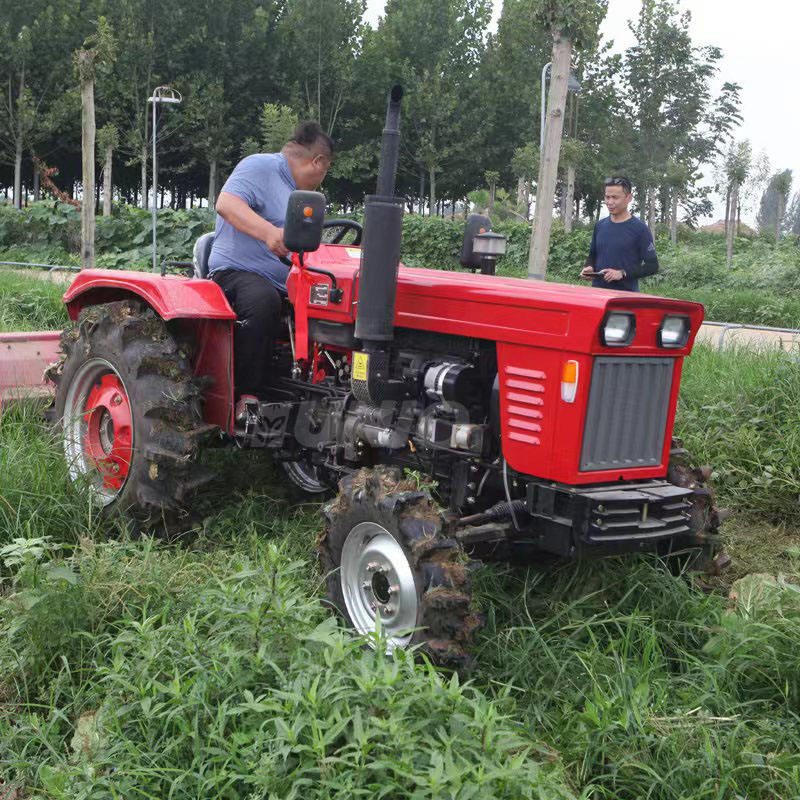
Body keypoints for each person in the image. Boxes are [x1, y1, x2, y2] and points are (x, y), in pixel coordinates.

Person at [208, 122, 334, 415]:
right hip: (235, 273)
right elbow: (226, 203)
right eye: (326, 170)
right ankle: (246, 396)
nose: (322, 179)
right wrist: (269, 233)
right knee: (263, 300)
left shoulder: (302, 197)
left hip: (287, 284)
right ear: (318, 162)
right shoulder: (260, 166)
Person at [580, 176, 659, 292]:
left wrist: (622, 273)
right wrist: (589, 267)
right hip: (598, 294)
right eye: (607, 197)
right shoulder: (600, 226)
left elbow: (652, 266)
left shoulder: (640, 229)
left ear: (629, 198)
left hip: (625, 297)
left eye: (615, 197)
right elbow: (593, 255)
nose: (610, 202)